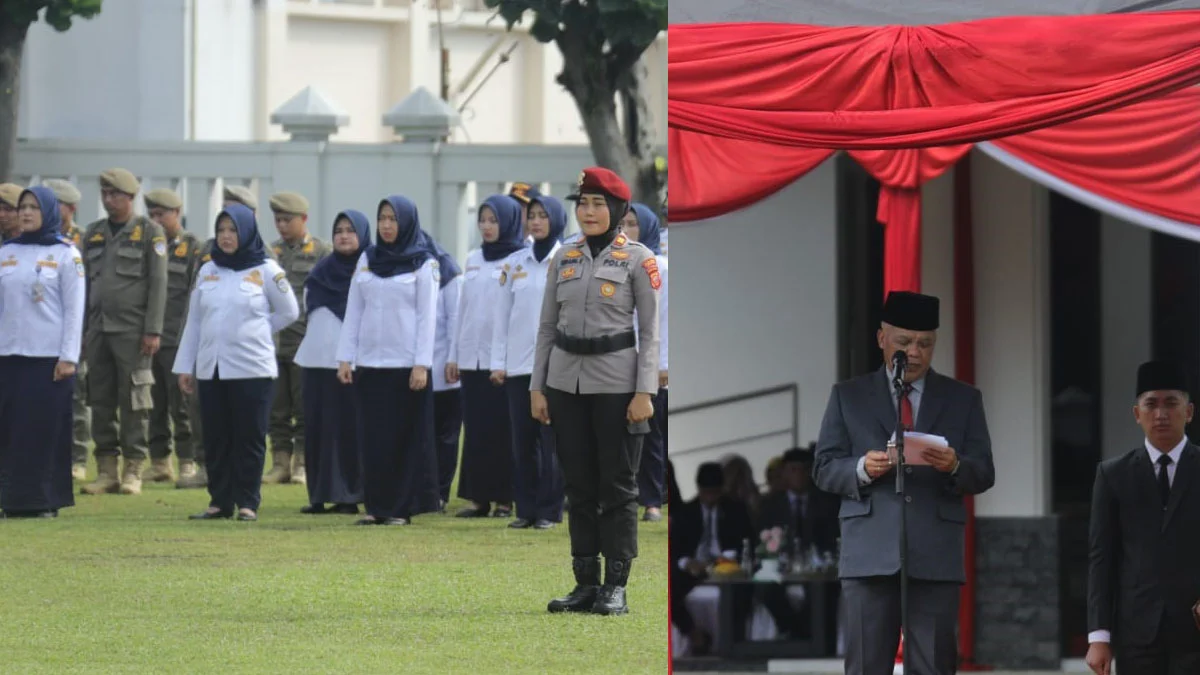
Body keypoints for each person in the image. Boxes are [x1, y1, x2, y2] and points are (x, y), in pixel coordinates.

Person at [813, 290, 995, 675]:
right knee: (865, 665)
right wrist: (863, 468)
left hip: (934, 552)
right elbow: (824, 467)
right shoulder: (849, 396)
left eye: (925, 344)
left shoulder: (963, 399)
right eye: (904, 342)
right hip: (869, 552)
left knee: (933, 665)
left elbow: (984, 472)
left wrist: (954, 465)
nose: (914, 352)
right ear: (882, 339)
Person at [532, 166, 661, 615]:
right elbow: (547, 327)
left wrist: (644, 392)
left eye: (597, 204)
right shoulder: (563, 256)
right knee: (579, 486)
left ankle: (616, 586)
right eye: (582, 203)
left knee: (618, 487)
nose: (587, 211)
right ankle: (584, 583)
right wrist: (538, 386)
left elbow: (650, 332)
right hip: (566, 384)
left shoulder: (638, 260)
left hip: (617, 387)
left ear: (618, 209)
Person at [173, 204, 299, 521]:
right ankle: (219, 501)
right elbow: (195, 322)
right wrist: (185, 366)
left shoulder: (267, 270)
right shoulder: (208, 270)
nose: (227, 237)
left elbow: (289, 312)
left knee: (249, 436)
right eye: (222, 230)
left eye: (233, 230)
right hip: (212, 367)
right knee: (215, 436)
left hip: (252, 368)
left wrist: (256, 330)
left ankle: (247, 502)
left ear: (247, 233)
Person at [1086, 360, 1200, 675]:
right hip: (1136, 630)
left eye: (1171, 404)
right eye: (1151, 404)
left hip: (1195, 628)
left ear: (1188, 411)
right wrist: (1099, 636)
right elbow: (1102, 558)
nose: (1161, 414)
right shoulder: (1113, 475)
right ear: (1137, 414)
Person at [335, 196, 438, 526]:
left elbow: (428, 317)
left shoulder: (424, 263)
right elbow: (354, 310)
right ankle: (376, 506)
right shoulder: (368, 258)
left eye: (393, 219)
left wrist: (421, 363)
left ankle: (399, 509)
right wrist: (345, 358)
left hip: (406, 366)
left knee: (402, 440)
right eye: (382, 219)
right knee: (372, 439)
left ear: (406, 222)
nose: (387, 225)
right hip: (370, 363)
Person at [79, 168, 168, 497]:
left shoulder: (149, 232)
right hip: (98, 329)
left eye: (115, 193)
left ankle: (134, 469)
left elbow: (158, 284)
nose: (108, 199)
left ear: (130, 197)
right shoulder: (94, 233)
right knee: (100, 400)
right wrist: (84, 332)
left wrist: (153, 329)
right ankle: (106, 470)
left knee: (135, 402)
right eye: (104, 193)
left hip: (133, 331)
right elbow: (86, 283)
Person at [0, 187, 85, 517]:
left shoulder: (66, 254)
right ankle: (11, 500)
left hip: (48, 358)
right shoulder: (8, 252)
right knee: (10, 430)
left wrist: (68, 357)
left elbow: (74, 309)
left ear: (48, 212)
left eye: (34, 207)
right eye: (22, 207)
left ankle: (43, 500)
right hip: (8, 355)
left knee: (43, 430)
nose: (25, 213)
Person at [491, 193, 567, 530]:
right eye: (532, 215)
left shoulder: (568, 259)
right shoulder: (515, 263)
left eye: (542, 215)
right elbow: (501, 316)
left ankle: (549, 511)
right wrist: (498, 361)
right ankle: (526, 508)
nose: (535, 221)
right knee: (522, 441)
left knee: (551, 441)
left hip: (555, 365)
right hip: (519, 365)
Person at [450, 195, 525, 519]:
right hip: (471, 358)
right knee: (477, 430)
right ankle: (478, 497)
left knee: (502, 430)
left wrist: (505, 358)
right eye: (483, 220)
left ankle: (504, 498)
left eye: (494, 221)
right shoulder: (473, 259)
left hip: (503, 360)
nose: (487, 227)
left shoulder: (519, 259)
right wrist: (454, 355)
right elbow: (462, 309)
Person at [295, 209, 369, 515]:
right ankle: (319, 494)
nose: (344, 235)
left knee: (348, 430)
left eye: (351, 230)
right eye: (338, 230)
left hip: (352, 363)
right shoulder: (321, 271)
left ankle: (348, 495)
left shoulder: (370, 271)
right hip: (315, 361)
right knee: (317, 429)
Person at [265, 191, 331, 485]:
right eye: (278, 220)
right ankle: (280, 462)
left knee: (304, 407)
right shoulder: (270, 252)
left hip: (305, 341)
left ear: (303, 219)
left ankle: (303, 461)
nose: (281, 226)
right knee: (276, 408)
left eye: (287, 220)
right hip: (273, 342)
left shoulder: (321, 252)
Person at [142, 188, 202, 486]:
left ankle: (187, 461)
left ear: (176, 213)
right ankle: (160, 462)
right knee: (151, 404)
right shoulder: (147, 245)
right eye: (151, 214)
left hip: (177, 340)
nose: (156, 220)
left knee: (182, 406)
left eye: (161, 214)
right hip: (147, 338)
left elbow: (195, 295)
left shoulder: (193, 248)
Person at [670, 462, 754, 654]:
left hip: (726, 567)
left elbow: (745, 543)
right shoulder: (686, 512)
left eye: (714, 493)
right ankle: (694, 635)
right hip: (694, 568)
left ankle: (734, 643)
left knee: (742, 592)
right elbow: (675, 549)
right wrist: (687, 562)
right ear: (699, 490)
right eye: (706, 493)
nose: (710, 498)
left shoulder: (735, 510)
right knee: (669, 589)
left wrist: (722, 560)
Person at [622, 202, 668, 522]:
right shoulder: (614, 263)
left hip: (651, 361)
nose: (625, 230)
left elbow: (663, 320)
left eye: (633, 224)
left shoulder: (660, 266)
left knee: (651, 433)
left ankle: (652, 499)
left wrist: (662, 364)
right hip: (618, 358)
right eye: (621, 224)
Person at [42, 178, 91, 480]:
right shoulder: (35, 239)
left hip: (77, 327)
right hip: (45, 330)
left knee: (78, 395)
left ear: (70, 208)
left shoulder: (82, 240)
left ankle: (79, 456)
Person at [426, 228, 463, 512]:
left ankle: (440, 492)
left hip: (444, 371)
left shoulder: (449, 274)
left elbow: (455, 322)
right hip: (416, 371)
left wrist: (453, 359)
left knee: (445, 437)